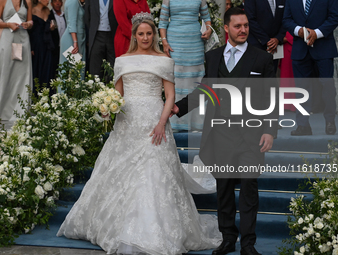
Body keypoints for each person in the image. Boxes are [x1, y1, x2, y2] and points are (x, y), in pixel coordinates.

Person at [57, 13, 222, 254]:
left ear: (154, 35)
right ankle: (117, 227)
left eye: (149, 33)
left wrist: (161, 122)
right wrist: (107, 109)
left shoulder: (164, 61)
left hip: (155, 121)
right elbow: (118, 95)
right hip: (127, 123)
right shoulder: (122, 60)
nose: (145, 37)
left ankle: (154, 231)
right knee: (120, 172)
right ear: (134, 36)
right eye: (141, 33)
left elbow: (170, 97)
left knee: (154, 173)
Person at [171, 8, 278, 255]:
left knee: (249, 188)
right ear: (226, 28)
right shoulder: (214, 57)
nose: (243, 30)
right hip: (220, 135)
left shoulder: (261, 58)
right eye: (238, 26)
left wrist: (270, 131)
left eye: (246, 25)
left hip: (251, 136)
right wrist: (178, 107)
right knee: (225, 190)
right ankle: (228, 238)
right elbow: (206, 91)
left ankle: (248, 244)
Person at [283, 0, 338, 135]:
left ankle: (330, 121)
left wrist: (316, 33)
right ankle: (303, 126)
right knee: (301, 89)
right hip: (300, 49)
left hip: (324, 48)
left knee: (327, 85)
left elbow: (334, 17)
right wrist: (299, 31)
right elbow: (286, 19)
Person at [159, 0, 212, 131]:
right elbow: (163, 21)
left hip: (195, 42)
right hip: (175, 43)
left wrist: (209, 29)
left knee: (196, 80)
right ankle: (175, 123)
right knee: (176, 80)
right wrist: (164, 42)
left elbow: (207, 17)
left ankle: (198, 123)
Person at [0, 0, 33, 122]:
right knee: (5, 73)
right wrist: (8, 25)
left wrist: (28, 24)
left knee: (21, 75)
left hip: (22, 40)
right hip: (7, 38)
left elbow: (30, 20)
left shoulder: (27, 1)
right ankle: (2, 110)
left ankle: (20, 111)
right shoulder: (2, 0)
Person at [245, 0, 286, 72]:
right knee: (256, 77)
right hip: (257, 44)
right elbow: (250, 20)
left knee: (271, 75)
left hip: (275, 46)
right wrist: (266, 40)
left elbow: (285, 19)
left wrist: (278, 38)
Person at [29, 0, 56, 97]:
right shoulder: (32, 10)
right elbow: (29, 31)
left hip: (48, 44)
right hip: (37, 45)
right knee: (37, 68)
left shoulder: (48, 10)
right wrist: (31, 47)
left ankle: (47, 95)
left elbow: (52, 26)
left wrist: (52, 28)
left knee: (48, 68)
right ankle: (36, 95)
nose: (48, 1)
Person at [85, 0, 117, 79]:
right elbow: (87, 17)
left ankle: (111, 89)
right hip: (97, 35)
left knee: (112, 66)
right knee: (95, 66)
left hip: (112, 35)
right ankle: (95, 88)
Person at [59, 0, 85, 79]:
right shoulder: (72, 1)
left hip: (78, 39)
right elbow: (72, 23)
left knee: (78, 71)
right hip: (71, 40)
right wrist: (75, 42)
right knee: (71, 72)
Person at [49, 0, 66, 80]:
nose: (57, 3)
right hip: (54, 48)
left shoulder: (66, 16)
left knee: (64, 69)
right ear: (51, 3)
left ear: (62, 3)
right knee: (53, 70)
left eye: (59, 1)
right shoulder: (49, 15)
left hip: (65, 48)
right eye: (55, 1)